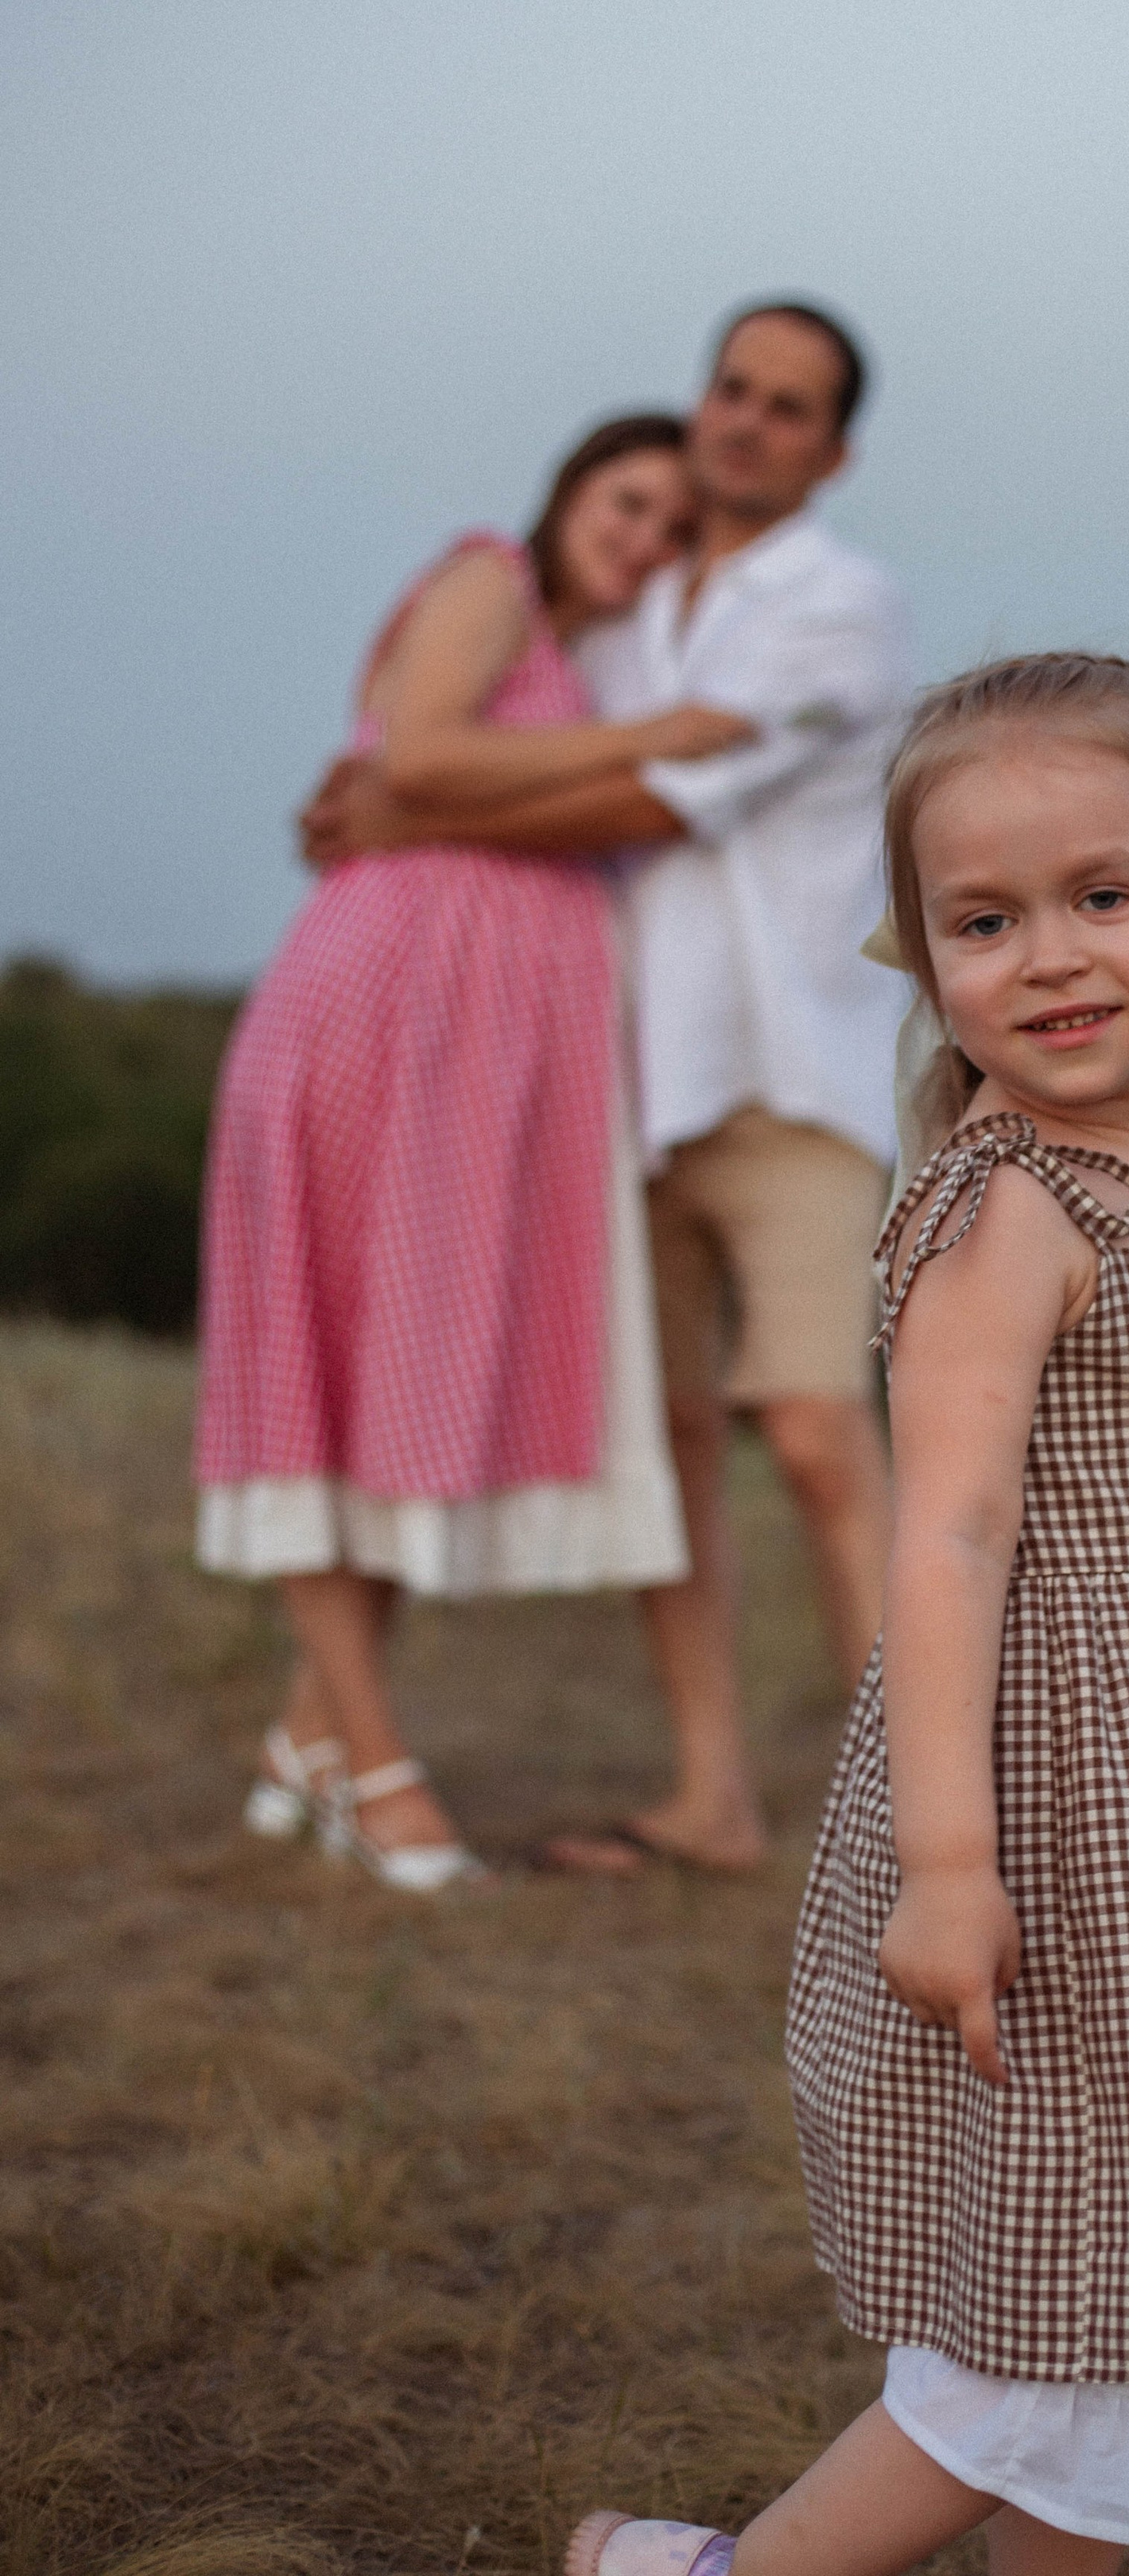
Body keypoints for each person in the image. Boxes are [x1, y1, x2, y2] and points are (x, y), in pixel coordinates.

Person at [568, 654, 1129, 2576]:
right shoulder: (1010, 1208)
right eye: (983, 920)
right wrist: (948, 1867)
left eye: (1100, 895)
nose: (1049, 957)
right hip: (1060, 1797)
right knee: (1076, 2285)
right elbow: (944, 1542)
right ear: (924, 957)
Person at [305, 302, 912, 1877]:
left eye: (788, 407)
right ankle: (712, 1799)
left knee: (814, 1428)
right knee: (674, 1449)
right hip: (616, 1078)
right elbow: (501, 743)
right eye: (733, 388)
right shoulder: (618, 610)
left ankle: (921, 1822)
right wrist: (395, 793)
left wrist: (414, 811)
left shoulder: (841, 611)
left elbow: (657, 796)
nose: (747, 421)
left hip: (787, 1075)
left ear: (834, 453)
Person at [198, 414, 756, 1892]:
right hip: (383, 1019)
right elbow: (429, 753)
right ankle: (380, 1775)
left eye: (674, 528)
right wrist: (648, 739)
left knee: (399, 1379)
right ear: (570, 491)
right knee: (328, 1379)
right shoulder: (488, 577)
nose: (644, 539)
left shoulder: (587, 657)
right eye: (628, 502)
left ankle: (309, 1741)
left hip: (476, 1072)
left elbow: (450, 782)